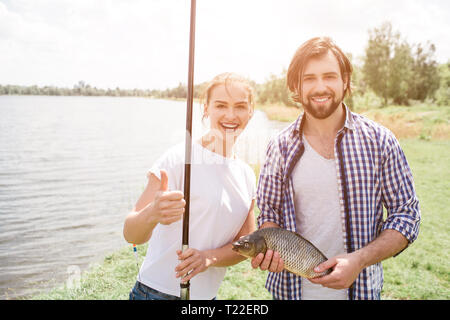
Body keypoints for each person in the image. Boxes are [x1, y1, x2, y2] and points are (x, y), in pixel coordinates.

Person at [251, 37, 420, 300]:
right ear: (296, 85)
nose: (320, 87)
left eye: (329, 76)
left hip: (361, 292)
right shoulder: (279, 147)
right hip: (290, 293)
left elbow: (407, 214)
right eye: (309, 78)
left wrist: (360, 260)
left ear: (345, 81)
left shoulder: (380, 141)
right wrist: (269, 249)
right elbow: (269, 214)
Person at [123, 72, 257, 300]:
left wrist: (209, 257)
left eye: (240, 107)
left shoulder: (246, 174)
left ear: (250, 112)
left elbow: (247, 244)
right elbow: (131, 234)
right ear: (206, 109)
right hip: (155, 293)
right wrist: (152, 213)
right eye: (221, 105)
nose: (231, 115)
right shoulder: (178, 158)